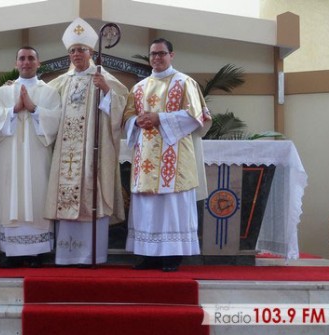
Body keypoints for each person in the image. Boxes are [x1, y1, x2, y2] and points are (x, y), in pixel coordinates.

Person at [122, 38, 212, 272]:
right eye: (153, 54)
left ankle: (173, 255)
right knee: (148, 205)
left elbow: (195, 117)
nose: (157, 58)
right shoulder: (139, 87)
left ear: (172, 55)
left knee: (172, 205)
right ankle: (148, 254)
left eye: (162, 53)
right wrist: (137, 121)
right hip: (146, 157)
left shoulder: (184, 82)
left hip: (175, 157)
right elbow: (127, 118)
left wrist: (159, 118)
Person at [44, 18, 128, 267]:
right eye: (72, 50)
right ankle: (67, 255)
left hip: (94, 155)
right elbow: (40, 100)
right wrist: (15, 88)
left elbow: (122, 109)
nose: (77, 54)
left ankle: (93, 255)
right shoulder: (61, 82)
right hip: (66, 155)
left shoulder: (105, 78)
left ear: (91, 52)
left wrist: (107, 92)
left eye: (81, 50)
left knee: (92, 190)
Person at [0, 47, 62, 268]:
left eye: (30, 58)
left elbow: (56, 121)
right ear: (15, 63)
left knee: (37, 194)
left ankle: (37, 251)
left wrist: (34, 109)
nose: (26, 62)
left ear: (39, 63)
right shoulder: (3, 93)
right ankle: (11, 251)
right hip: (9, 156)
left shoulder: (49, 92)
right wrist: (14, 109)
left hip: (38, 156)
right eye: (22, 58)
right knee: (11, 195)